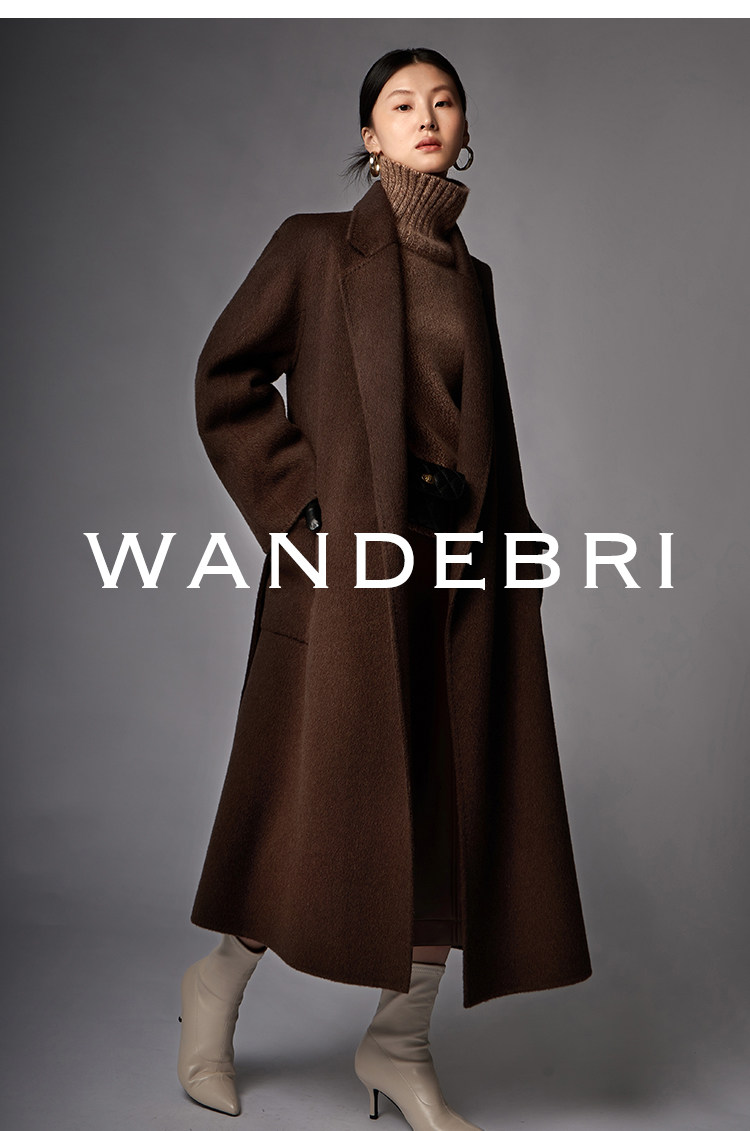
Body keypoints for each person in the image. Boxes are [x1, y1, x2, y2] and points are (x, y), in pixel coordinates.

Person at [177, 47, 592, 1129]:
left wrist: (519, 555)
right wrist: (299, 512)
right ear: (369, 136)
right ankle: (214, 989)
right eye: (401, 104)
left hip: (455, 581)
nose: (426, 116)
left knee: (451, 806)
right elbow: (226, 377)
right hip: (347, 579)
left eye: (444, 102)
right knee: (305, 812)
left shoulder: (471, 278)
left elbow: (485, 440)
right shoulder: (315, 247)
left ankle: (398, 1044)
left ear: (465, 131)